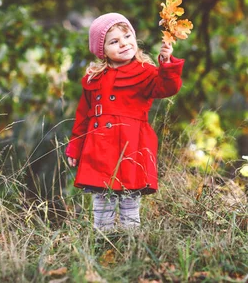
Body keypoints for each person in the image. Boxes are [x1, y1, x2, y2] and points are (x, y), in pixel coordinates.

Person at [65, 12, 185, 231]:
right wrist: (75, 145)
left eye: (127, 36)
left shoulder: (145, 72)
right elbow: (83, 115)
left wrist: (167, 63)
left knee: (129, 198)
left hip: (132, 146)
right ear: (103, 51)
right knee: (102, 199)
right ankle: (103, 240)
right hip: (99, 148)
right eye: (114, 41)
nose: (123, 44)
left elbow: (168, 88)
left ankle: (131, 244)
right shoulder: (95, 78)